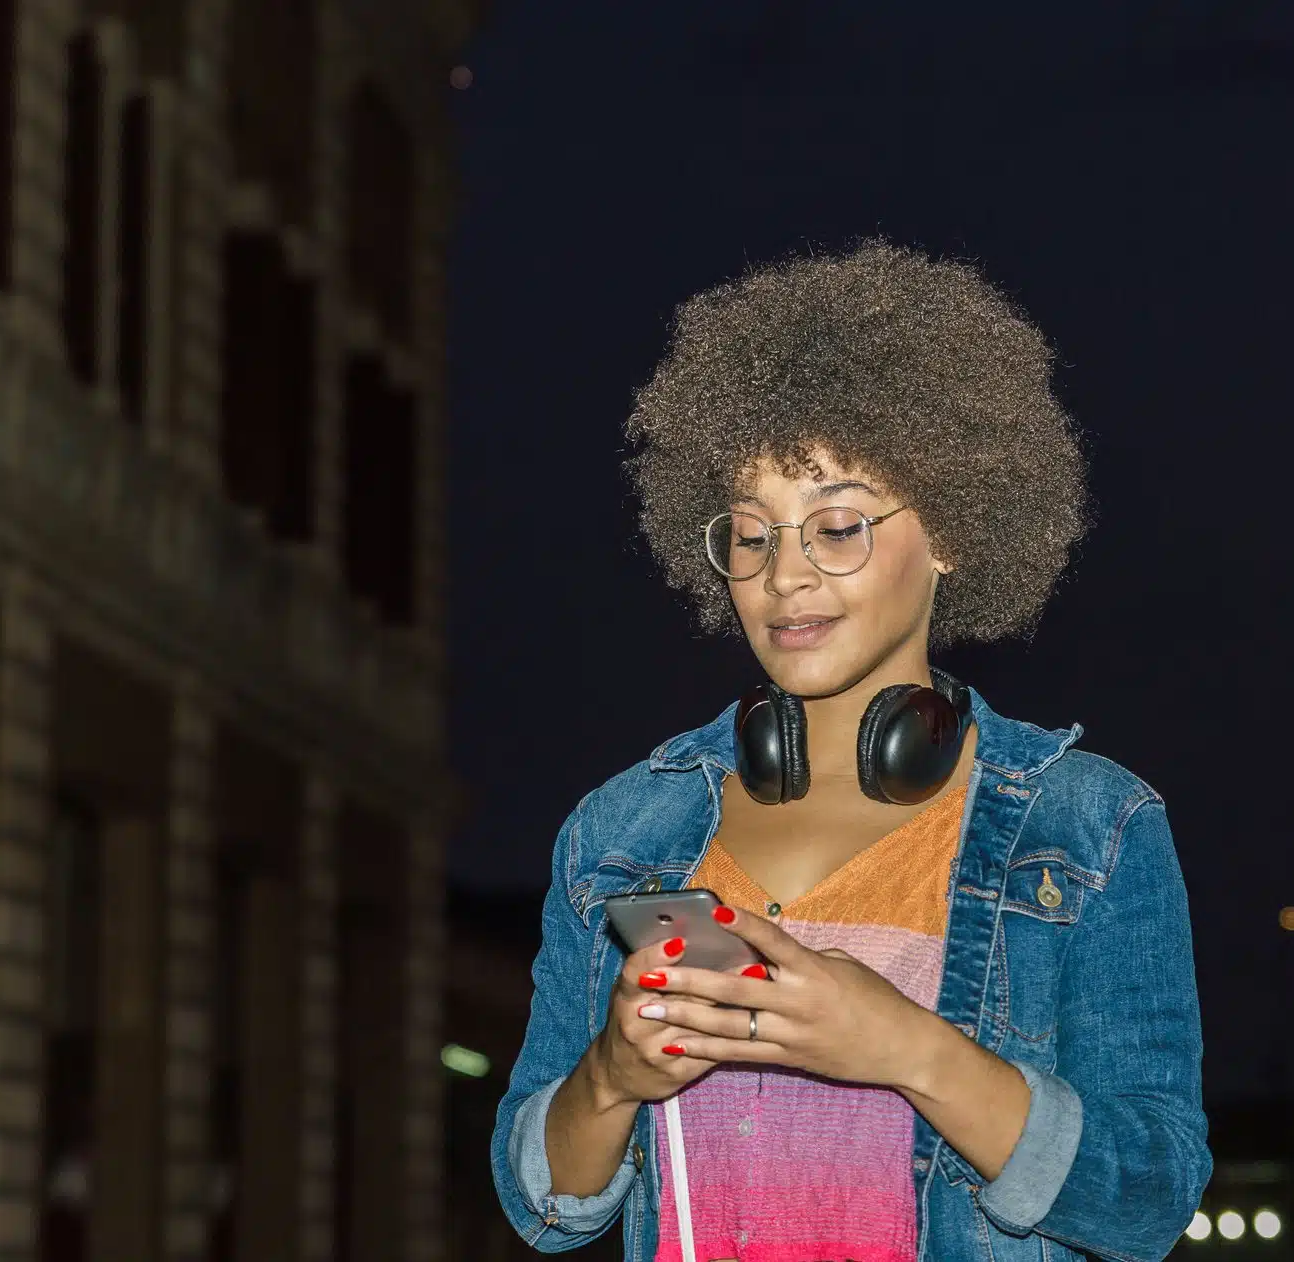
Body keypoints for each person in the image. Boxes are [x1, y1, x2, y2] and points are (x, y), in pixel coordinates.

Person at [490, 240, 1211, 1262]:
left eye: (835, 527)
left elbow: (1149, 1197)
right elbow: (544, 1206)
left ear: (951, 527)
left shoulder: (1088, 825)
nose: (783, 576)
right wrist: (609, 1077)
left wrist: (908, 1048)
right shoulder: (620, 830)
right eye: (751, 535)